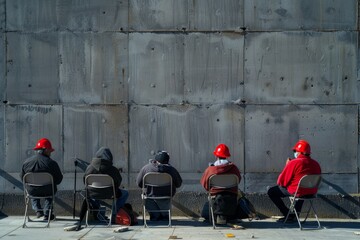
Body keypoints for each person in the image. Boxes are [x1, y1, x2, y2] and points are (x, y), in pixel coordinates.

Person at [267, 139, 321, 222]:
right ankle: (295, 215)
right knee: (303, 190)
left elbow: (281, 182)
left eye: (295, 150)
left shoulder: (294, 163)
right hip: (311, 192)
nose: (294, 152)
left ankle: (287, 214)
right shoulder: (316, 164)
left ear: (300, 152)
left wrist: (287, 165)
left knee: (271, 191)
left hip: (298, 192)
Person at [20, 138, 63, 221]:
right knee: (52, 188)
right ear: (46, 150)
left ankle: (38, 210)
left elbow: (23, 178)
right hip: (48, 190)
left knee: (32, 188)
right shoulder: (52, 163)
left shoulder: (26, 163)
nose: (50, 153)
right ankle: (47, 213)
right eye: (50, 151)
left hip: (32, 190)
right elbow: (58, 180)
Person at [200, 143, 241, 224]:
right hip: (231, 197)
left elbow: (205, 185)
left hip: (215, 197)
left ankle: (216, 216)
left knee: (205, 211)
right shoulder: (234, 168)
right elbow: (238, 180)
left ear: (216, 156)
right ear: (227, 156)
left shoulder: (210, 170)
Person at [136, 151, 182, 221]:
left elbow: (139, 183)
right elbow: (179, 184)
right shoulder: (172, 170)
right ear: (168, 160)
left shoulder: (146, 168)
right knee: (165, 213)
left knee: (145, 196)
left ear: (155, 160)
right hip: (166, 197)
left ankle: (155, 215)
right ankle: (165, 215)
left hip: (149, 198)